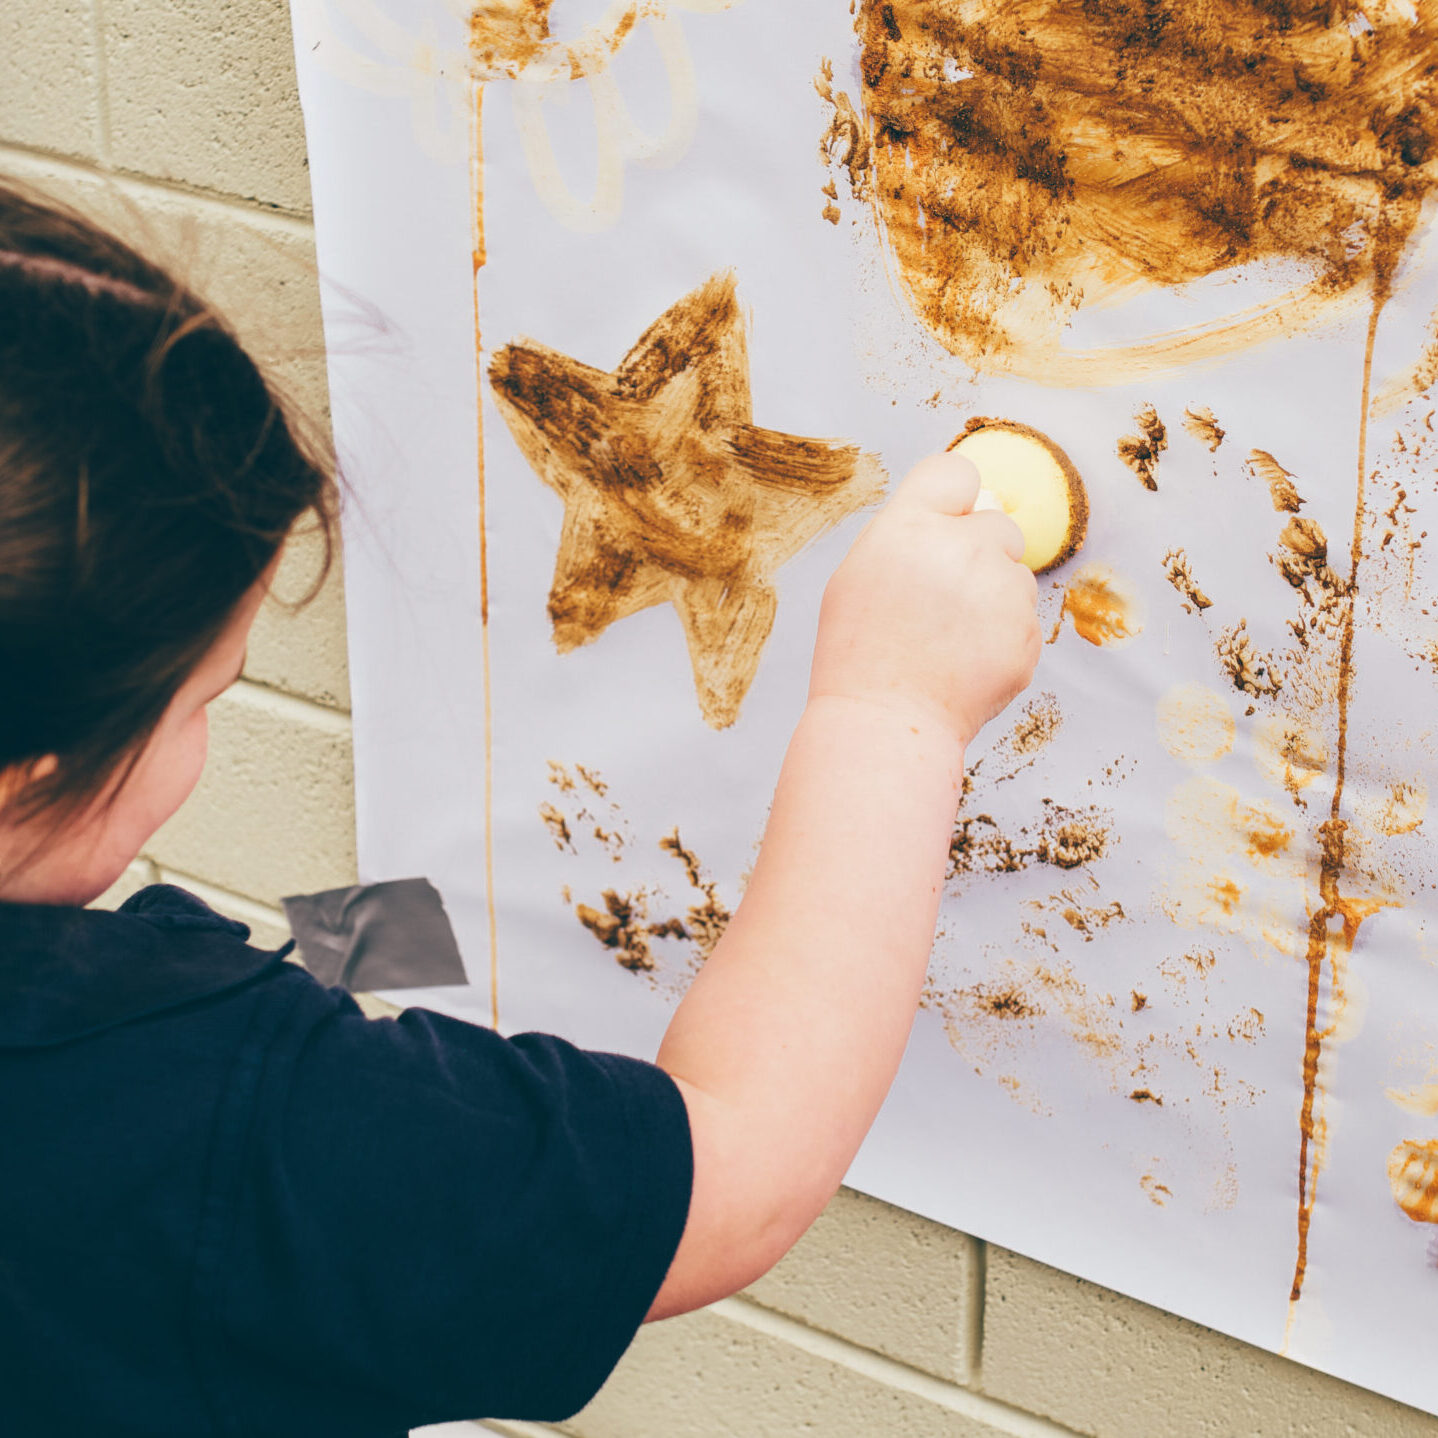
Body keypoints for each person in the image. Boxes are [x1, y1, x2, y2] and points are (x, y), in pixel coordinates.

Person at [0, 178, 1040, 1435]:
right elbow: (737, 1172)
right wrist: (890, 707)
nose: (211, 724)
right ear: (28, 774)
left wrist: (360, 941)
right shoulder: (221, 1123)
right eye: (206, 695)